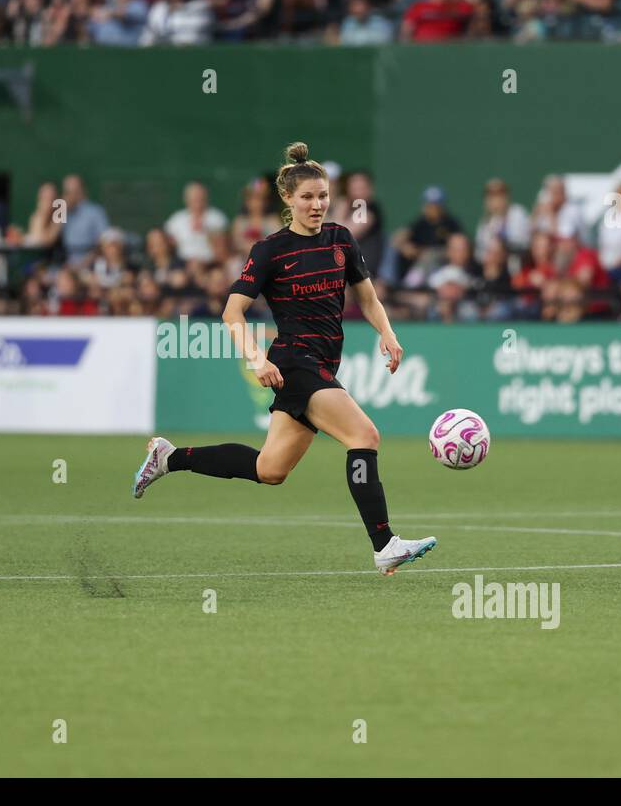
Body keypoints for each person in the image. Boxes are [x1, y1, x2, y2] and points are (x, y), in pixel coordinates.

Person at [132, 142, 437, 576]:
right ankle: (384, 543)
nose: (317, 205)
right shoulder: (270, 250)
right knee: (364, 436)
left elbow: (366, 297)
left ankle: (169, 457)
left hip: (321, 365)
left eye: (323, 196)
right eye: (308, 197)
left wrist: (387, 332)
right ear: (288, 200)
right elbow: (231, 312)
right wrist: (257, 358)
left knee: (269, 469)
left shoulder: (341, 240)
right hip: (295, 362)